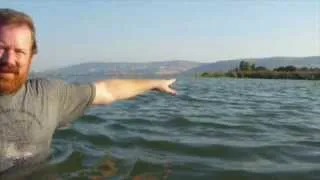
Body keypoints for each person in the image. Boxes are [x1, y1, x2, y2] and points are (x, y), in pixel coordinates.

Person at [0, 8, 176, 176]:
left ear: (31, 58)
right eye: (2, 47)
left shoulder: (48, 96)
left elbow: (108, 90)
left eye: (19, 51)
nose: (9, 59)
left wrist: (153, 83)